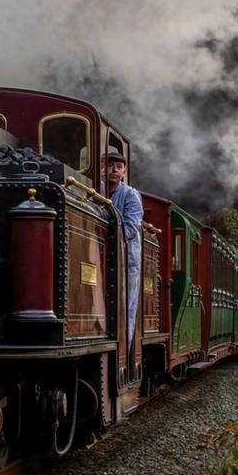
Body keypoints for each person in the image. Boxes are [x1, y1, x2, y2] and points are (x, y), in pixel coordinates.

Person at [107, 147, 143, 350]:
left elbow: (129, 228)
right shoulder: (98, 189)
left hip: (126, 259)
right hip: (105, 256)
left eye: (118, 167)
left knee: (126, 306)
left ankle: (124, 349)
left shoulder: (130, 194)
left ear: (123, 172)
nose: (114, 170)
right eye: (110, 165)